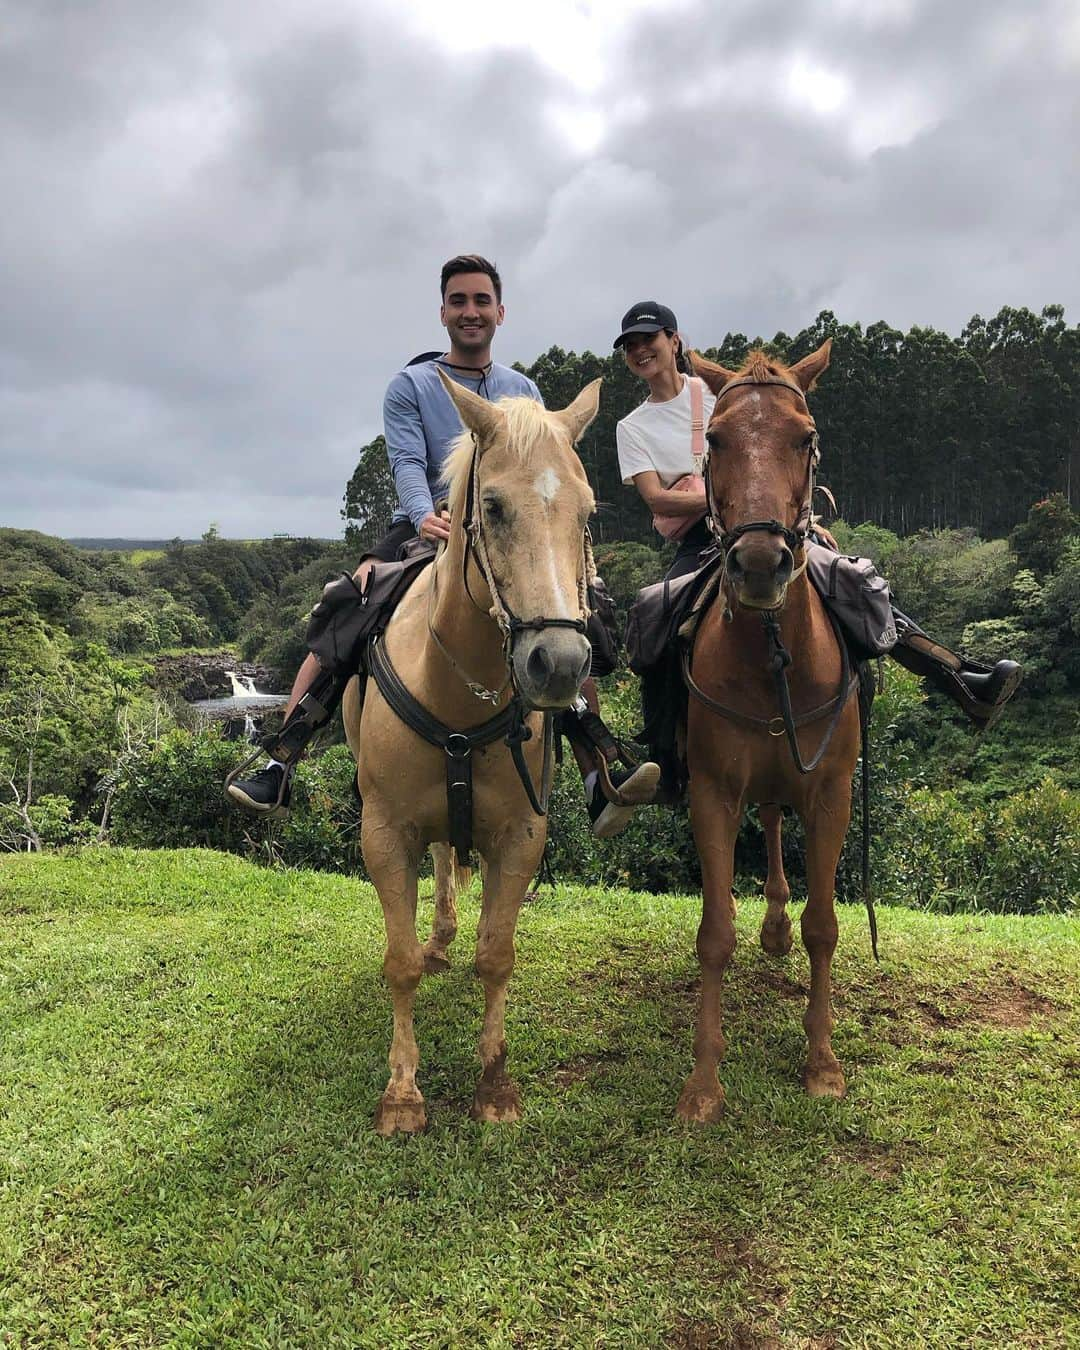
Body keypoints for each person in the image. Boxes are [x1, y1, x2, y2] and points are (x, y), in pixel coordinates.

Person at [228, 256, 657, 834]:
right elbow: (406, 460)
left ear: (500, 312)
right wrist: (425, 514)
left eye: (481, 300)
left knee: (578, 610)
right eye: (459, 301)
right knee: (348, 606)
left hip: (507, 527)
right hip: (426, 522)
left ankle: (595, 772)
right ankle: (283, 758)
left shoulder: (522, 390)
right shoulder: (409, 386)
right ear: (443, 313)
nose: (470, 311)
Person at [612, 299, 1022, 756]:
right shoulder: (632, 427)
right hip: (700, 539)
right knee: (655, 616)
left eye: (648, 339)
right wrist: (733, 500)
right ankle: (663, 759)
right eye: (630, 344)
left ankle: (958, 677)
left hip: (771, 527)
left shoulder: (720, 392)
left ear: (674, 340)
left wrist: (771, 508)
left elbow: (778, 446)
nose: (639, 350)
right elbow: (657, 498)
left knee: (856, 584)